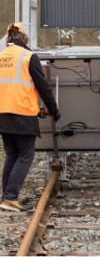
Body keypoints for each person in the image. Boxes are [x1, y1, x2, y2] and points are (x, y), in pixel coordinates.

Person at [0, 22, 60, 212]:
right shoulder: (28, 57)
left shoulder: (1, 56)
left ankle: (6, 196)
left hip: (2, 113)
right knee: (26, 155)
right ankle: (11, 197)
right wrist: (54, 110)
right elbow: (43, 87)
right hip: (22, 113)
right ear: (24, 37)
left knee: (12, 155)